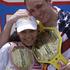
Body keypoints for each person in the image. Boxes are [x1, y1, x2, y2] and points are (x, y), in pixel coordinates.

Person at [26, 0, 70, 70]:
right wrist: (9, 24)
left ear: (49, 1)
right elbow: (4, 50)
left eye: (39, 6)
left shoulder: (68, 21)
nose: (37, 13)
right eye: (32, 11)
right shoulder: (31, 29)